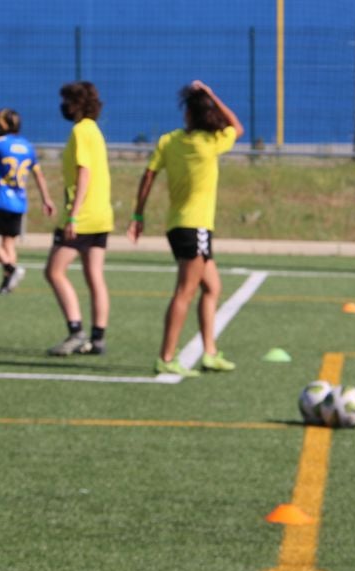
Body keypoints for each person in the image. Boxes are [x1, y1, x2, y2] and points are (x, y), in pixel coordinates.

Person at [127, 80, 242, 377]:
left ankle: (210, 353)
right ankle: (166, 356)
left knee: (212, 287)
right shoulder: (211, 143)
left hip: (177, 226)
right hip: (197, 227)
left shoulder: (169, 141)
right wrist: (213, 94)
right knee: (185, 292)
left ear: (189, 114)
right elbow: (237, 127)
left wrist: (138, 216)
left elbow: (148, 176)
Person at [45, 81, 114, 356]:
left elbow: (84, 173)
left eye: (67, 101)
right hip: (101, 215)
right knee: (94, 275)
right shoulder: (94, 131)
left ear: (76, 104)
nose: (63, 106)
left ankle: (76, 333)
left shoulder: (81, 131)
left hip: (83, 216)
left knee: (54, 271)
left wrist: (73, 216)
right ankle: (98, 338)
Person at [0, 108, 55, 293]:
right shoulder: (28, 146)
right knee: (9, 243)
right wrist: (46, 199)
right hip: (18, 203)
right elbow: (39, 175)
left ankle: (10, 268)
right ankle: (8, 283)